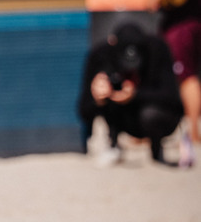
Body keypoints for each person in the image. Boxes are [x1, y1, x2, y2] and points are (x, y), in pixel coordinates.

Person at [77, 21, 184, 166]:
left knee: (150, 114)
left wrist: (135, 95)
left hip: (153, 118)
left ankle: (156, 148)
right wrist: (98, 98)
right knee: (110, 104)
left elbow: (174, 99)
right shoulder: (101, 56)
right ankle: (113, 145)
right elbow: (83, 110)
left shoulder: (157, 49)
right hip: (120, 118)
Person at [149, 0, 201, 160]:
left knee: (186, 74)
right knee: (181, 73)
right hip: (180, 21)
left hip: (184, 23)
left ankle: (193, 132)